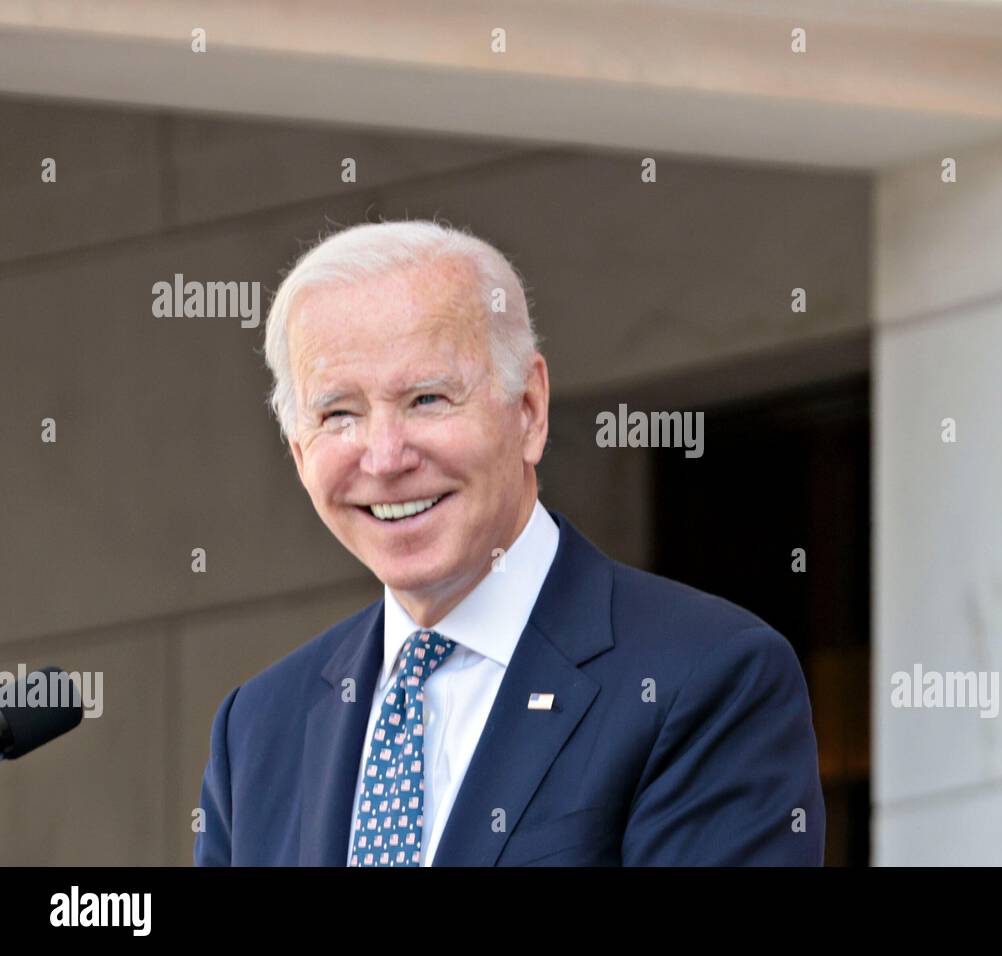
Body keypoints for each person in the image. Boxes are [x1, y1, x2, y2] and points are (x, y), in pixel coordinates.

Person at [193, 220, 825, 866]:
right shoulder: (259, 728)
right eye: (339, 415)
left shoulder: (708, 678)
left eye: (426, 399)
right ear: (300, 452)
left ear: (529, 409)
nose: (384, 457)